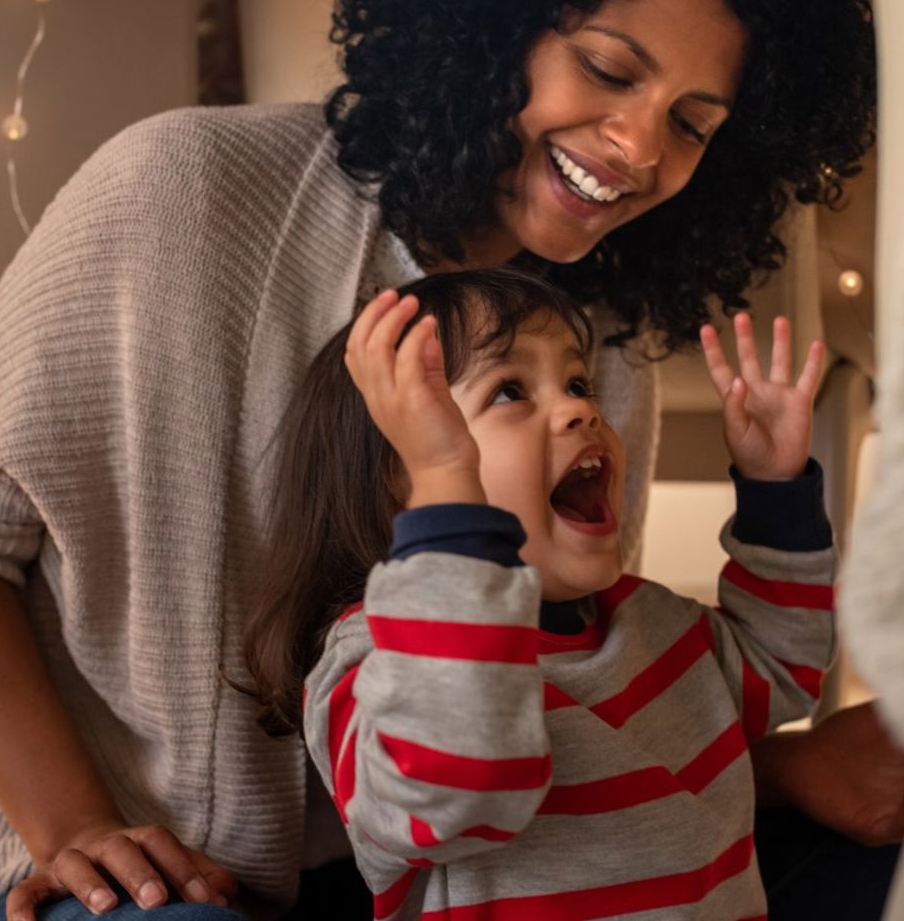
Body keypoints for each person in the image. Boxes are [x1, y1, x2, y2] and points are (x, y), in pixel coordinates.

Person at [0, 0, 904, 919]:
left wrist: (782, 774)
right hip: (147, 877)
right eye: (609, 71)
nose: (639, 149)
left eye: (694, 125)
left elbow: (548, 691)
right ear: (494, 19)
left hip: (466, 873)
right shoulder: (183, 193)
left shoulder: (588, 336)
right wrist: (74, 827)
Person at [251, 269, 839, 918]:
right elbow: (460, 785)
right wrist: (447, 478)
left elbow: (783, 668)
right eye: (509, 390)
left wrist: (775, 493)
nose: (582, 409)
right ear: (402, 487)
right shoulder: (371, 662)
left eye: (578, 382)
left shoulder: (654, 622)